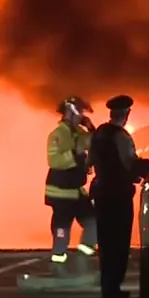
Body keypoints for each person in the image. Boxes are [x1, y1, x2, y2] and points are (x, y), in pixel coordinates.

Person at [89, 94, 149, 298]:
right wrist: (148, 167)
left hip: (101, 193)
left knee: (105, 241)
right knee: (119, 242)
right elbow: (129, 163)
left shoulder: (99, 134)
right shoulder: (122, 137)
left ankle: (107, 286)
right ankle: (114, 286)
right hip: (118, 194)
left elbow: (89, 162)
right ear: (126, 114)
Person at [44, 96, 98, 280]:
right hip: (61, 194)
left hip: (76, 191)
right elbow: (54, 161)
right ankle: (58, 266)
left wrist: (91, 128)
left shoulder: (78, 133)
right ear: (70, 112)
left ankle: (82, 259)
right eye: (80, 112)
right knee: (62, 231)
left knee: (93, 223)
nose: (81, 116)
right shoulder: (57, 135)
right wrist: (75, 152)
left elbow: (94, 142)